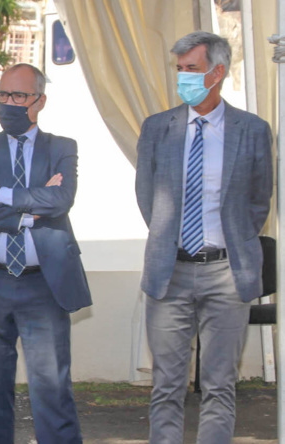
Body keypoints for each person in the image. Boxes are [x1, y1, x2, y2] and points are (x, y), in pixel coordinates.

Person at [135, 31, 272, 444]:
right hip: (169, 271)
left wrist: (233, 244)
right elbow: (147, 196)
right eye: (179, 70)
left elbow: (258, 201)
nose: (183, 79)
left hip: (227, 274)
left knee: (219, 386)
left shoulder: (251, 130)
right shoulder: (159, 128)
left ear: (218, 73)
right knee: (166, 387)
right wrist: (169, 239)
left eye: (191, 70)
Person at [0, 63, 91, 444]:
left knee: (52, 389)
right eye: (3, 95)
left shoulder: (62, 148)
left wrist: (4, 198)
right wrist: (31, 209)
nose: (8, 103)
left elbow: (61, 200)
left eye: (19, 96)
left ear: (40, 101)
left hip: (43, 283)